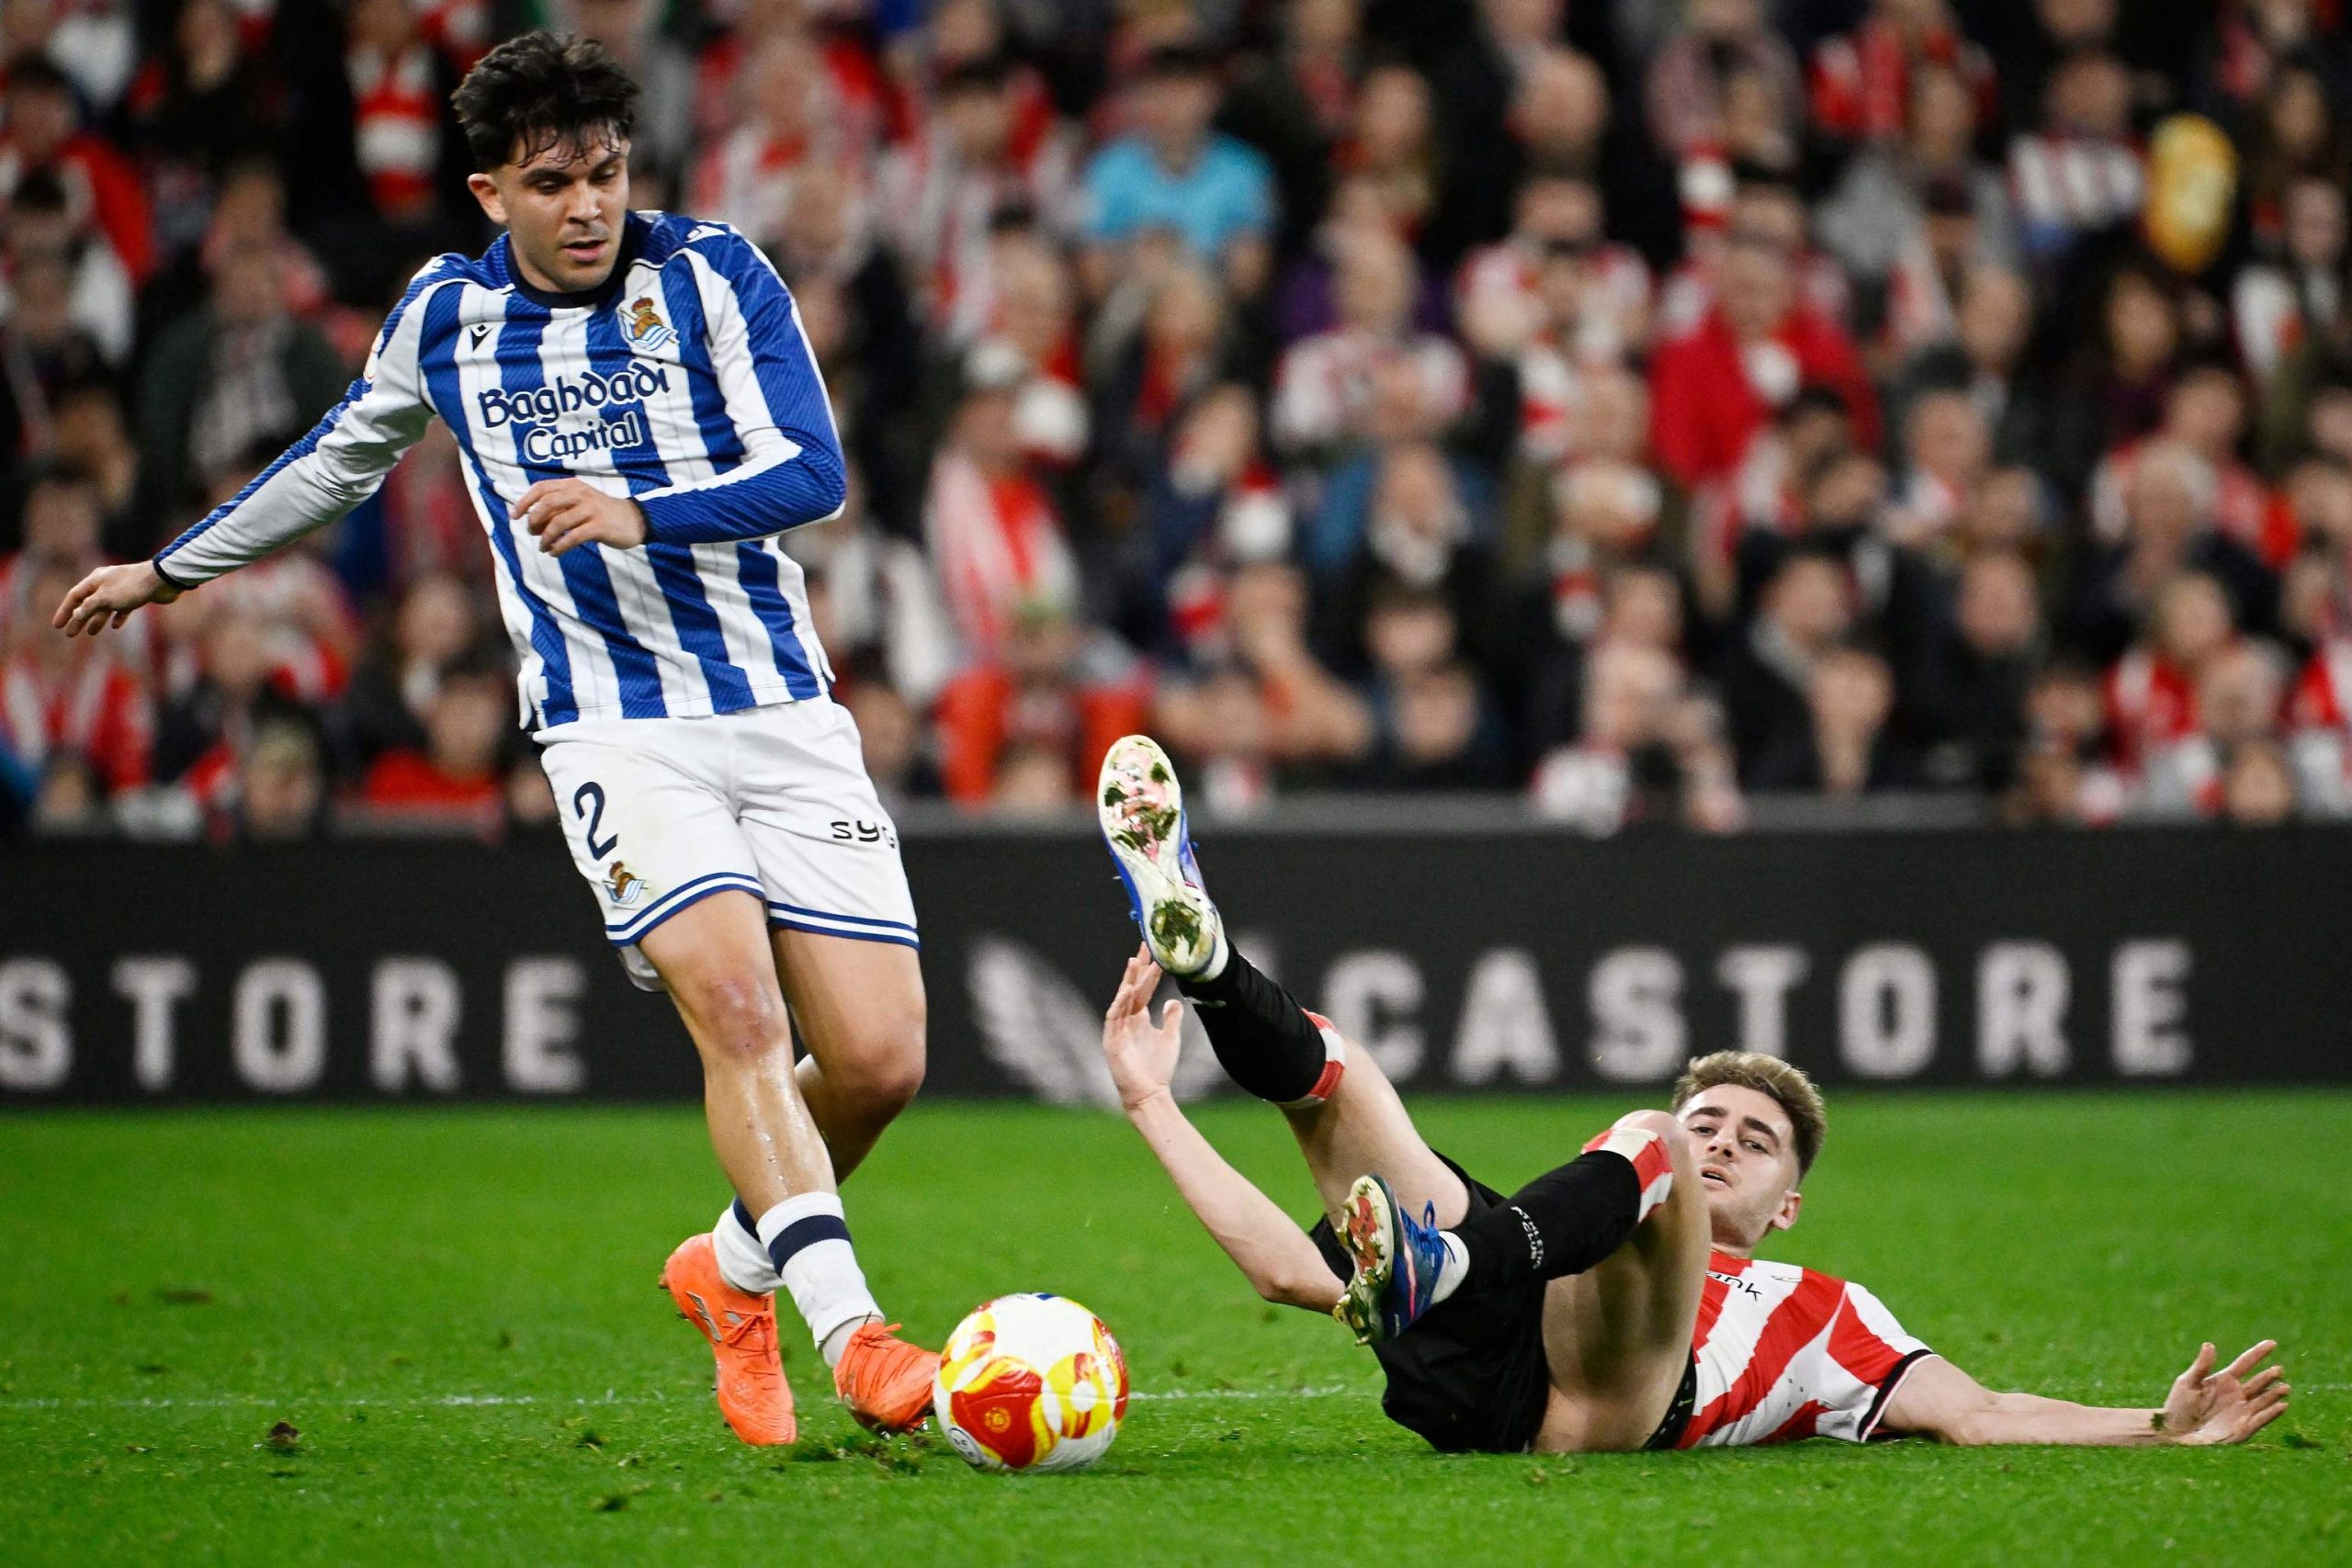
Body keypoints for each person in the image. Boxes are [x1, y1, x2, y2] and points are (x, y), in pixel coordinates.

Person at [49, 32, 934, 1449]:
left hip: (780, 707)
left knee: (883, 1062)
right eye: (552, 182)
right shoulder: (444, 320)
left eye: (606, 172)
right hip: (610, 727)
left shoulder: (714, 274)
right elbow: (337, 458)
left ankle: (729, 1265)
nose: (589, 205)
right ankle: (858, 1339)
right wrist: (170, 571)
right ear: (487, 192)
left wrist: (645, 510)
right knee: (743, 1016)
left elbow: (814, 470)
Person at [1092, 732, 2291, 1454]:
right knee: (1336, 1079)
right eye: (1715, 1120)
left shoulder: (1826, 1309)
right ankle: (1214, 972)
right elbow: (1283, 1273)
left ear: (1787, 1207)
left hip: (1601, 1397)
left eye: (1756, 1142)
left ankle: (1454, 1260)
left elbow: (1979, 1412)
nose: (1724, 1142)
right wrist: (1153, 1103)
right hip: (1502, 1319)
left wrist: (2150, 1425)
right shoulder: (1575, 1219)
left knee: (1629, 1143)